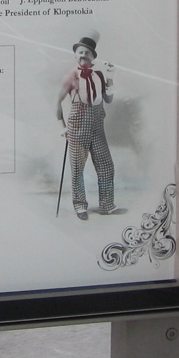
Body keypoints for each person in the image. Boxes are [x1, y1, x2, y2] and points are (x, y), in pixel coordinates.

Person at [54, 34, 117, 220]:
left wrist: (111, 78)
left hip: (97, 126)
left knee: (107, 166)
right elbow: (57, 102)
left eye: (87, 52)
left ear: (93, 56)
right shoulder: (71, 76)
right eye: (80, 52)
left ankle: (106, 205)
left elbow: (108, 99)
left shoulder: (99, 75)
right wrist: (62, 126)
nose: (83, 55)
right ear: (75, 55)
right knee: (77, 169)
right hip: (78, 127)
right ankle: (80, 205)